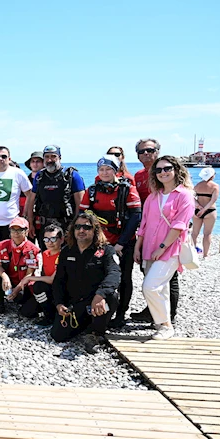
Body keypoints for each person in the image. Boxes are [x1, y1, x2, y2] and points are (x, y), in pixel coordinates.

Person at [134, 156, 194, 340]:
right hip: (148, 248)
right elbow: (143, 224)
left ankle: (166, 325)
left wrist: (162, 247)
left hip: (170, 249)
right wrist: (138, 247)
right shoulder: (154, 196)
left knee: (150, 287)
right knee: (160, 288)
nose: (163, 172)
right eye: (158, 170)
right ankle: (162, 323)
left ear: (177, 170)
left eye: (167, 168)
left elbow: (179, 225)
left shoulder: (184, 195)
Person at [79, 156, 142, 328]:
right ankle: (97, 311)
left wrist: (121, 243)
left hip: (124, 242)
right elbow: (82, 215)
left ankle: (120, 314)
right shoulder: (92, 191)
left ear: (115, 170)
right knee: (97, 276)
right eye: (101, 170)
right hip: (99, 242)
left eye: (108, 169)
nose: (105, 173)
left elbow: (136, 217)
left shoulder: (127, 190)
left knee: (123, 278)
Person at [52, 212, 121, 344]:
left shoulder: (106, 250)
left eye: (86, 227)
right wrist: (59, 303)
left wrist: (100, 295)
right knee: (58, 336)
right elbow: (59, 280)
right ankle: (85, 323)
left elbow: (114, 274)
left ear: (95, 230)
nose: (81, 230)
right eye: (77, 227)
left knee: (111, 296)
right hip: (75, 302)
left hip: (95, 300)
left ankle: (96, 332)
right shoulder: (67, 251)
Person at [130, 139, 179, 324]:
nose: (146, 154)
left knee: (169, 274)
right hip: (147, 227)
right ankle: (153, 309)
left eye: (150, 150)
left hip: (168, 228)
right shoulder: (139, 175)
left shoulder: (168, 173)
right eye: (142, 152)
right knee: (149, 271)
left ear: (157, 151)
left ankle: (170, 315)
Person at [27, 145, 85, 249]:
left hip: (66, 225)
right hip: (45, 226)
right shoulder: (39, 176)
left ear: (60, 157)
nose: (50, 160)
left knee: (65, 259)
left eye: (53, 156)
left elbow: (80, 203)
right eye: (47, 157)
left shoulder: (72, 175)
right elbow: (31, 200)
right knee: (46, 257)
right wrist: (30, 223)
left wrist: (77, 226)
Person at [17, 222, 63, 325]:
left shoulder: (63, 256)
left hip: (61, 290)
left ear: (62, 239)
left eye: (53, 239)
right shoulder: (45, 253)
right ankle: (46, 308)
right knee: (26, 312)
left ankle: (49, 316)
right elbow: (44, 273)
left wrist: (30, 278)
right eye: (46, 239)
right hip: (49, 289)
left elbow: (52, 279)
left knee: (38, 285)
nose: (49, 242)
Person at [0, 217, 40, 314]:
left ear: (26, 231)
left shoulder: (32, 249)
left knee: (24, 307)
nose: (16, 233)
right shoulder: (3, 245)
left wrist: (17, 289)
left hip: (23, 282)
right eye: (13, 229)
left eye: (20, 230)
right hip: (9, 279)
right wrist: (5, 277)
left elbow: (29, 274)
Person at [192, 167, 220, 258]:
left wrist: (199, 207)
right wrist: (204, 209)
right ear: (212, 176)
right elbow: (213, 201)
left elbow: (191, 198)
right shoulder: (215, 186)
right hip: (210, 211)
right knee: (207, 234)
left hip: (197, 210)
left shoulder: (197, 185)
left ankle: (192, 253)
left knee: (194, 233)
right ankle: (205, 254)